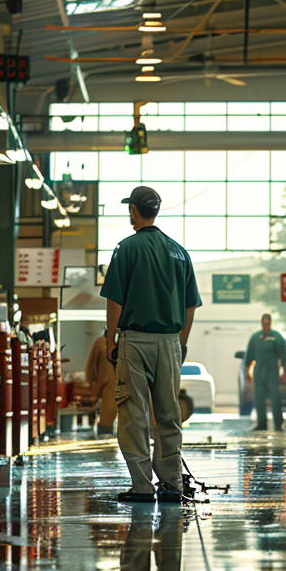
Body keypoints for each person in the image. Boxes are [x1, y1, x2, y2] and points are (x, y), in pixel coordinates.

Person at [100, 186, 202, 503]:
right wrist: (180, 342)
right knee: (169, 414)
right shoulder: (179, 252)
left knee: (133, 414)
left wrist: (111, 339)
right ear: (155, 211)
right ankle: (172, 485)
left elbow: (115, 299)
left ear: (133, 210)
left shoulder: (126, 249)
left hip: (136, 341)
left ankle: (143, 486)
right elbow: (190, 305)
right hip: (171, 342)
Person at [245, 313, 286, 431]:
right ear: (261, 323)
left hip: (272, 372)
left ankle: (278, 423)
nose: (266, 326)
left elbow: (284, 356)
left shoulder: (277, 337)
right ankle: (261, 423)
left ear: (270, 323)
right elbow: (249, 357)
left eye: (267, 324)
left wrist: (285, 372)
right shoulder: (255, 338)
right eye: (264, 324)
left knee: (275, 397)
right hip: (259, 372)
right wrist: (248, 374)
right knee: (259, 398)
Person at [85, 331, 118, 434]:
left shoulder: (125, 341)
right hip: (107, 383)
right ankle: (105, 432)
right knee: (107, 413)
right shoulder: (100, 342)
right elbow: (91, 364)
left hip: (123, 382)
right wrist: (92, 382)